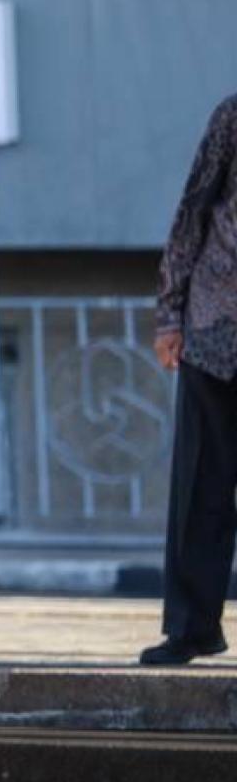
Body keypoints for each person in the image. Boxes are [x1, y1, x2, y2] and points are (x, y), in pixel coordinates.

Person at [149, 93, 237, 665]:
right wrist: (170, 315)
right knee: (202, 489)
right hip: (215, 329)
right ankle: (191, 627)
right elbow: (192, 212)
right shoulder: (234, 116)